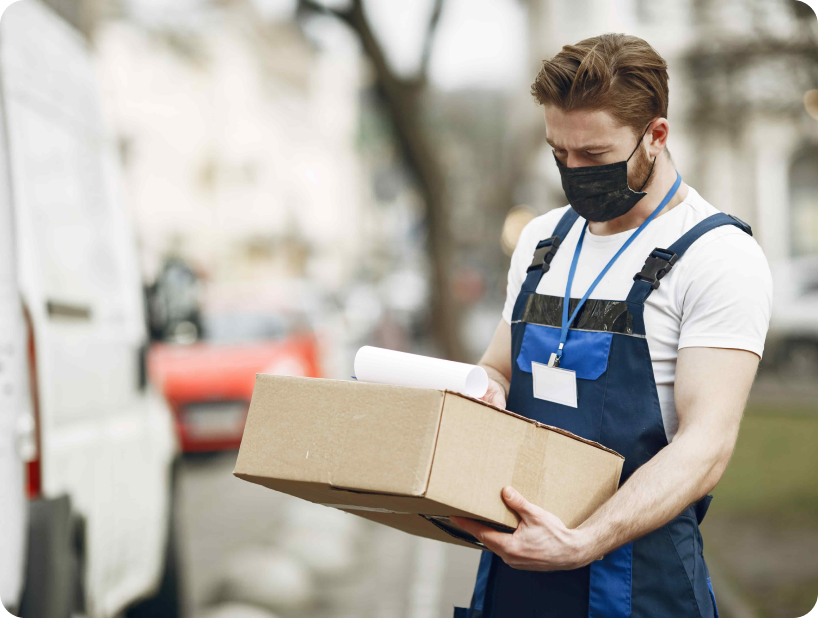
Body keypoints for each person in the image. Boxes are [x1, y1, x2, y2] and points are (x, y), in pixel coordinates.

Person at [449, 33, 772, 618]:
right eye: (559, 154)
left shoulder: (717, 255)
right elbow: (496, 366)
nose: (573, 173)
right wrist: (485, 393)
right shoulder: (541, 240)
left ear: (656, 135)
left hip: (636, 583)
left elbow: (707, 445)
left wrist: (581, 543)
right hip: (515, 567)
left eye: (594, 156)